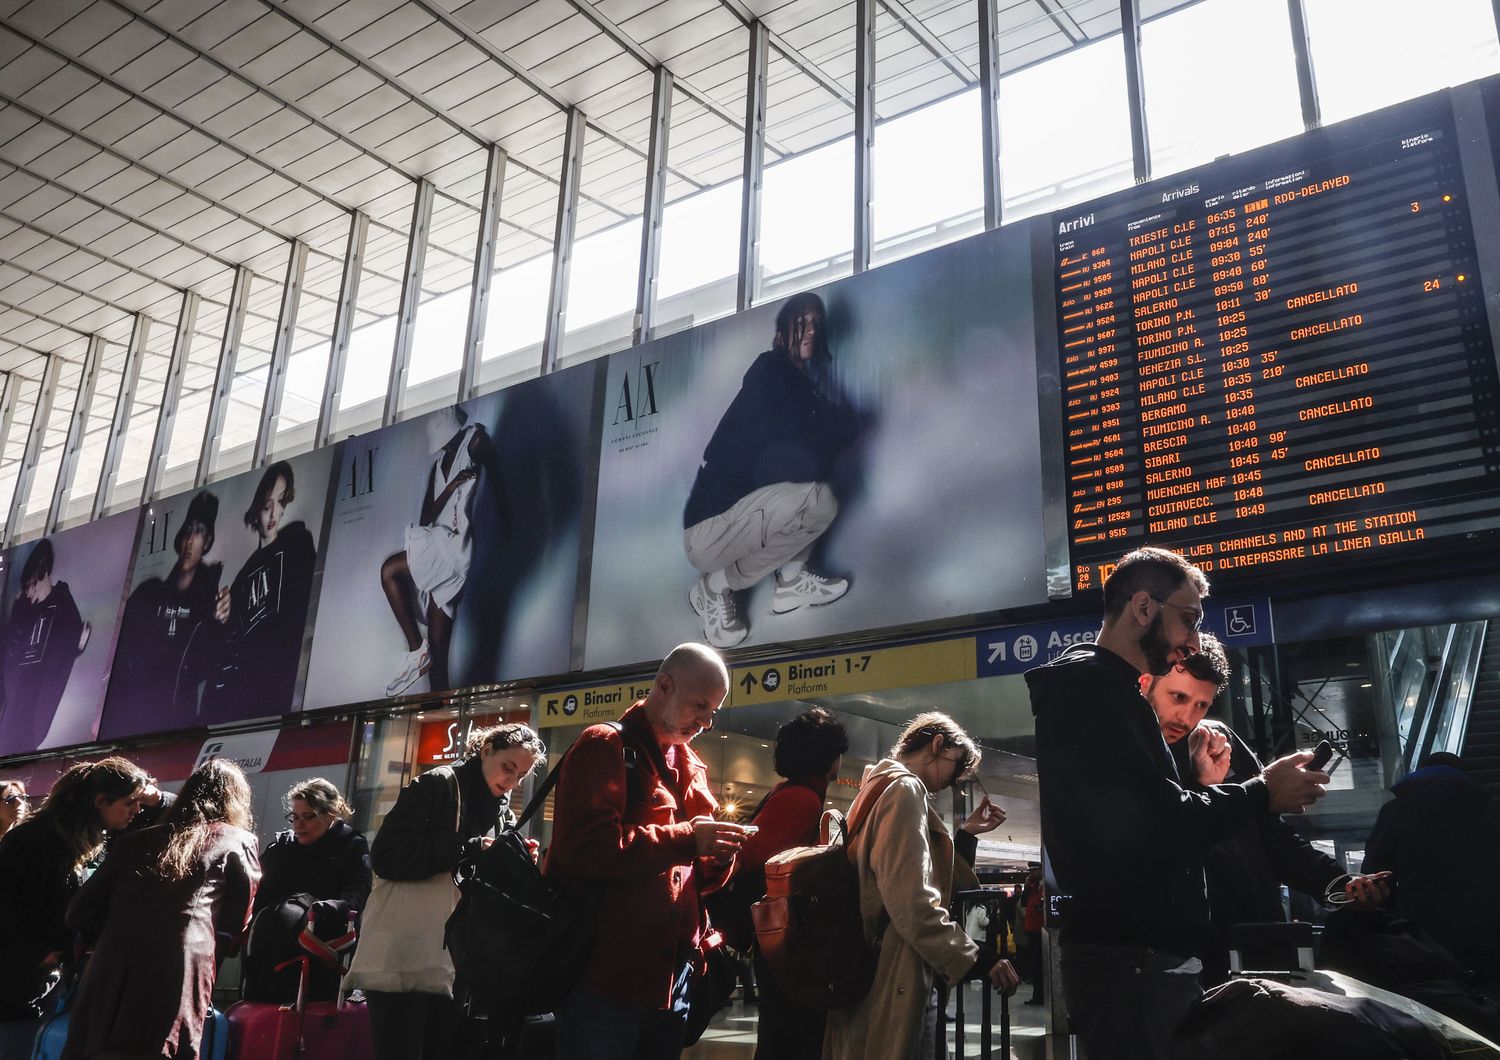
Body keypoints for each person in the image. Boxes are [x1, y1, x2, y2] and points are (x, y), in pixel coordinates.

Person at [1025, 547, 1330, 1060]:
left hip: (1139, 960)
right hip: (1133, 963)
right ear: (1143, 608)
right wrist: (1262, 792)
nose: (1191, 639)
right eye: (1187, 620)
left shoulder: (1105, 691)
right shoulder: (1093, 691)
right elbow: (1157, 827)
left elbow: (1142, 822)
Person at [545, 643, 752, 1059]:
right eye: (700, 705)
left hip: (673, 979)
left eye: (713, 710)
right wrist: (690, 840)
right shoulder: (604, 745)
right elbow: (586, 850)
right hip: (604, 977)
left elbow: (699, 877)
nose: (706, 721)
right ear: (664, 685)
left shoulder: (691, 764)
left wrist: (721, 855)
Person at [1147, 633, 1389, 983]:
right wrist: (1206, 788)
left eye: (1201, 704)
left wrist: (1336, 884)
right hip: (1183, 948)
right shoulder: (1137, 751)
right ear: (1149, 683)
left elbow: (1270, 834)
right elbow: (1161, 837)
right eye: (1178, 697)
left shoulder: (1218, 739)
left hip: (1257, 933)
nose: (1186, 716)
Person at [824, 713, 1020, 1060]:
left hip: (863, 968)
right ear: (937, 744)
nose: (955, 780)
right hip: (897, 969)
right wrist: (977, 956)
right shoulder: (905, 789)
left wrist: (965, 837)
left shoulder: (875, 787)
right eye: (956, 766)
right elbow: (913, 902)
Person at [351, 722, 544, 1060]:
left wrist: (516, 860)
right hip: (405, 949)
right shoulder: (439, 783)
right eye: (508, 767)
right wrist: (469, 847)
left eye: (522, 775)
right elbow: (386, 855)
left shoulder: (503, 813)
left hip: (457, 959)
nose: (512, 781)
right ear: (486, 751)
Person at [683, 293, 858, 648]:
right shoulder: (771, 370)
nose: (810, 330)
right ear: (780, 335)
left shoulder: (797, 385)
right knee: (818, 497)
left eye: (816, 323)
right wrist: (837, 427)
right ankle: (712, 589)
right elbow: (819, 441)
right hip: (712, 528)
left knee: (812, 497)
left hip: (737, 519)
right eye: (801, 322)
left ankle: (790, 582)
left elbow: (825, 433)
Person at [61, 759, 259, 1060]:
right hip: (179, 967)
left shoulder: (133, 842)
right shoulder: (236, 840)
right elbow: (236, 921)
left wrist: (122, 928)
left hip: (111, 966)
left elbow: (79, 909)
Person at [0, 757, 150, 1060]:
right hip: (15, 983)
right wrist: (39, 953)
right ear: (100, 801)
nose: (137, 810)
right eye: (130, 801)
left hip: (44, 979)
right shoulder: (34, 840)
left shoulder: (89, 838)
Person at [734, 707, 850, 1059]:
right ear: (828, 758)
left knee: (782, 1034)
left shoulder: (793, 793)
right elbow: (756, 858)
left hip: (780, 941)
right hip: (785, 942)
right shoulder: (801, 799)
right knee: (790, 1036)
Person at [382, 406, 503, 697]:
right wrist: (451, 488)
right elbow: (426, 518)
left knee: (390, 570)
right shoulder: (438, 466)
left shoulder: (474, 440)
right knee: (438, 662)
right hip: (439, 547)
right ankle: (440, 718)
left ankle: (415, 648)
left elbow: (499, 483)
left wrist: (502, 531)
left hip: (457, 545)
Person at [1362, 751, 1500, 982]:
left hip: (1418, 932)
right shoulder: (1495, 810)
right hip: (1488, 931)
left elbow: (1376, 873)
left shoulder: (1394, 811)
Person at [244, 778, 372, 1004]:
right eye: (294, 817)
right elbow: (255, 888)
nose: (298, 825)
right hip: (272, 950)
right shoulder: (283, 845)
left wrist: (335, 908)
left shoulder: (352, 844)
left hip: (322, 950)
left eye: (308, 816)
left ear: (331, 813)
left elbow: (358, 890)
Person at [211, 462, 317, 717]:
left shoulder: (297, 542)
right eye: (267, 506)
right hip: (250, 696)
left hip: (289, 684)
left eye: (280, 502)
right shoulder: (244, 575)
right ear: (256, 510)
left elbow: (311, 605)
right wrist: (221, 617)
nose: (274, 514)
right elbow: (230, 637)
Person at [113, 491, 223, 720]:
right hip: (131, 715)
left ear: (208, 542)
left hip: (176, 719)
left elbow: (206, 668)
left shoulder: (210, 604)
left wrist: (216, 620)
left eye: (200, 532)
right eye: (188, 530)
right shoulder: (148, 592)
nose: (190, 540)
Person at [0, 540, 89, 751]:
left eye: (32, 584)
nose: (30, 592)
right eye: (27, 586)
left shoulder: (63, 604)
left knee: (23, 740)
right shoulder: (23, 605)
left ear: (43, 572)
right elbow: (8, 643)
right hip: (13, 689)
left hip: (37, 691)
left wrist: (80, 643)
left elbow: (71, 643)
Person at [1020, 864, 1045, 1005]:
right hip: (1032, 929)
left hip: (1041, 929)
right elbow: (1023, 903)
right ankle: (1037, 996)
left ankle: (1041, 995)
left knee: (1040, 965)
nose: (1031, 873)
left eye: (1034, 870)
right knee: (1035, 965)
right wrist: (1027, 886)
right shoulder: (1032, 887)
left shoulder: (1044, 886)